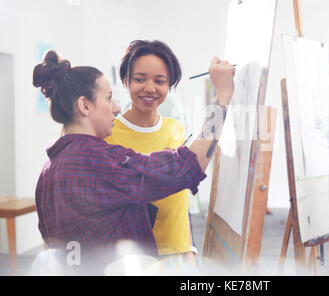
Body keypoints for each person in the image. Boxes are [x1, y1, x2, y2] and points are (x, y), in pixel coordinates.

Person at [32, 50, 235, 274]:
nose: (116, 107)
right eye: (108, 98)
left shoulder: (47, 173)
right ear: (85, 105)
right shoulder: (100, 160)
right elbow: (187, 166)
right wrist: (223, 97)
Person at [104, 40, 196, 265]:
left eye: (160, 81)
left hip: (177, 256)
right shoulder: (108, 135)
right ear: (125, 81)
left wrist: (188, 250)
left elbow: (179, 202)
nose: (150, 88)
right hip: (133, 258)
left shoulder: (176, 129)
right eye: (140, 79)